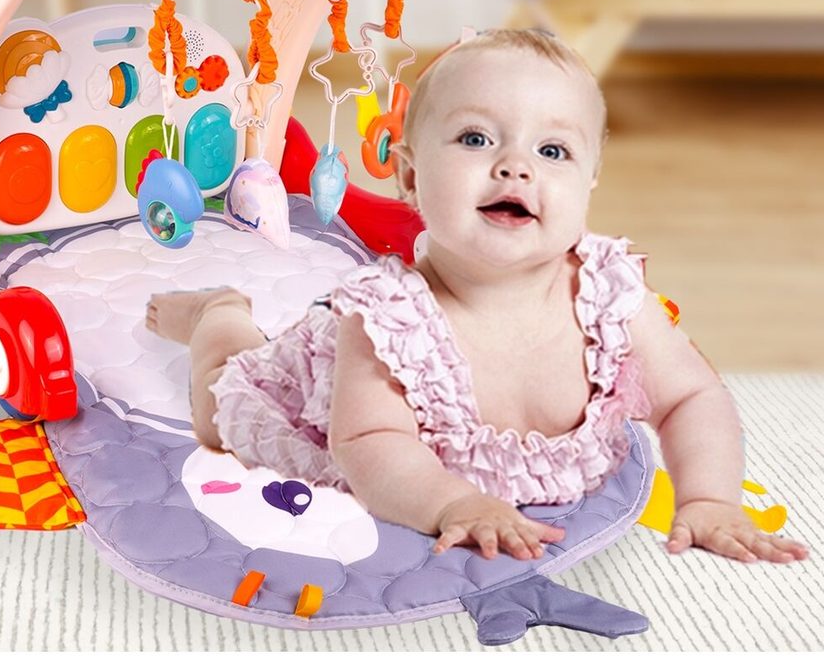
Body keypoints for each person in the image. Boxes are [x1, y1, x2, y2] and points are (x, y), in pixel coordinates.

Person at [147, 29, 809, 565]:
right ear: (410, 176)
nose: (515, 166)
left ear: (590, 182)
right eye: (475, 139)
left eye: (553, 150)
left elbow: (692, 396)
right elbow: (368, 442)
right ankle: (218, 314)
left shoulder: (610, 296)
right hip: (319, 392)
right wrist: (451, 503)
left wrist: (709, 499)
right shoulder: (387, 323)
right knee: (220, 408)